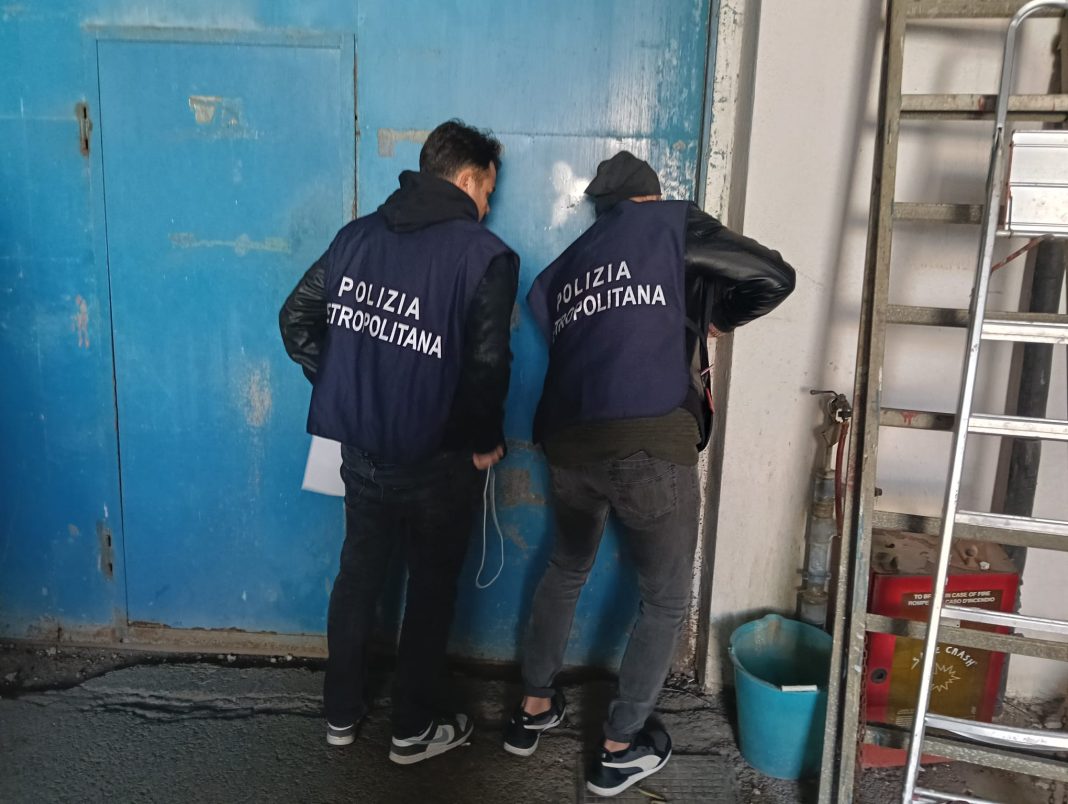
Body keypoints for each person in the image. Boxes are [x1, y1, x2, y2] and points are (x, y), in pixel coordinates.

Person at [505, 151, 795, 797]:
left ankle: (531, 709)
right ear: (649, 200)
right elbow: (775, 276)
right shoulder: (668, 225)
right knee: (665, 599)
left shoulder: (565, 268)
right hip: (648, 444)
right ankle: (619, 747)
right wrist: (718, 319)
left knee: (565, 568)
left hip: (565, 443)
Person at [279, 119, 519, 765]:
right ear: (466, 179)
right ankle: (412, 730)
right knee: (431, 590)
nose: (488, 205)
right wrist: (484, 440)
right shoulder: (483, 255)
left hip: (361, 453)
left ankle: (340, 713)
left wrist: (351, 386)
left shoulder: (356, 237)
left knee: (358, 577)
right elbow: (488, 365)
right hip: (438, 461)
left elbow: (295, 319)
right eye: (488, 191)